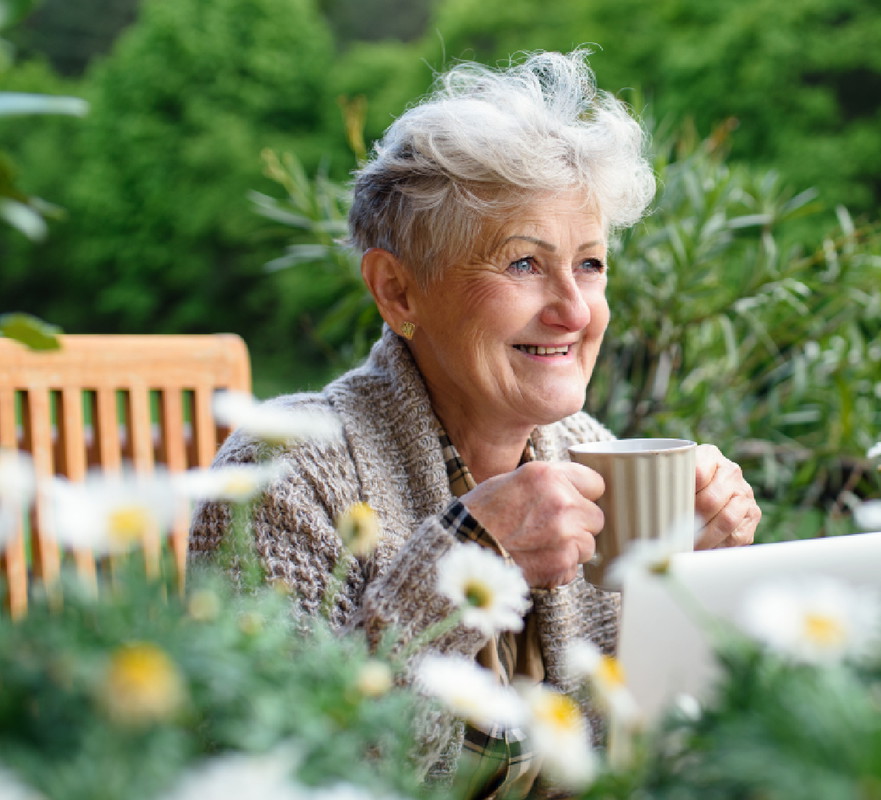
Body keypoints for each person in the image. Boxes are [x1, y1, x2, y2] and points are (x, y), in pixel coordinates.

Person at [190, 49, 760, 798]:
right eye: (524, 264)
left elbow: (658, 745)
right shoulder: (284, 473)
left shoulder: (593, 456)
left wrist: (699, 579)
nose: (575, 308)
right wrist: (461, 563)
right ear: (397, 291)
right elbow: (285, 768)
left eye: (590, 264)